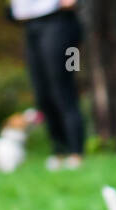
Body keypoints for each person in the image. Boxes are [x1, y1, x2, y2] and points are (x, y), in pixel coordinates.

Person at [11, 0, 84, 170]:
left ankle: (76, 152)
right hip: (31, 24)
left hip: (61, 22)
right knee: (42, 94)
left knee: (64, 88)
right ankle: (58, 150)